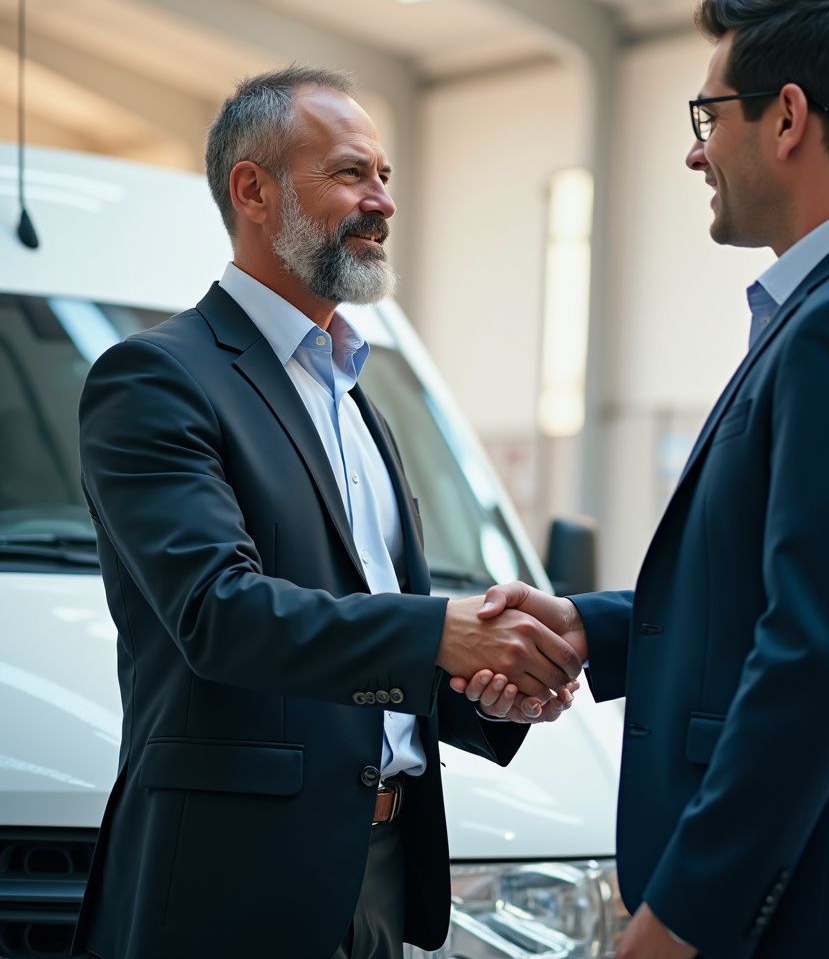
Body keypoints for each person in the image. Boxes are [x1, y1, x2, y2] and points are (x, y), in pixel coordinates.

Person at [462, 0, 829, 959]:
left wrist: (677, 922)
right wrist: (590, 627)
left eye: (709, 114)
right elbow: (789, 601)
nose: (691, 150)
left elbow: (816, 661)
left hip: (823, 907)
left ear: (787, 117)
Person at [72, 66, 580, 959]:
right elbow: (217, 613)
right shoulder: (156, 379)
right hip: (233, 882)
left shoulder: (358, 399)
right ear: (253, 189)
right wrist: (441, 635)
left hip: (381, 866)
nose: (381, 201)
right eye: (352, 174)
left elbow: (377, 635)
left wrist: (489, 694)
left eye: (385, 177)